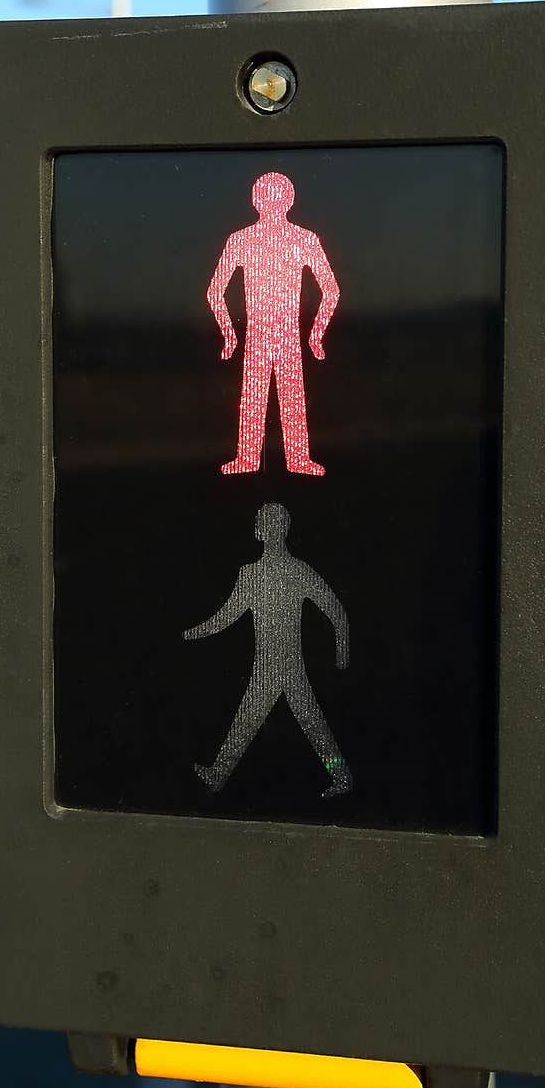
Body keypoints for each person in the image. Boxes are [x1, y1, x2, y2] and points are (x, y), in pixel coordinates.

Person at [184, 502, 352, 797]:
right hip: (266, 669)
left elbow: (336, 610)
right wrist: (194, 632)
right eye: (267, 522)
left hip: (289, 667)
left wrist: (342, 650)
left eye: (276, 523)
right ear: (259, 531)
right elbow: (226, 616)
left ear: (282, 529)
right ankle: (218, 774)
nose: (272, 528)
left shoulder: (298, 571)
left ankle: (342, 777)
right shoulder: (250, 574)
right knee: (249, 722)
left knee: (310, 724)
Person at [205, 172, 340, 476]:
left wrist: (315, 335)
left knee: (285, 397)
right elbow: (214, 292)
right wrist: (230, 335)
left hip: (283, 333)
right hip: (261, 333)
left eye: (275, 196)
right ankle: (252, 460)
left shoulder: (302, 239)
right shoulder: (243, 240)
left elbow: (331, 290)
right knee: (259, 399)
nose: (272, 203)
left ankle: (289, 460)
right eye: (269, 196)